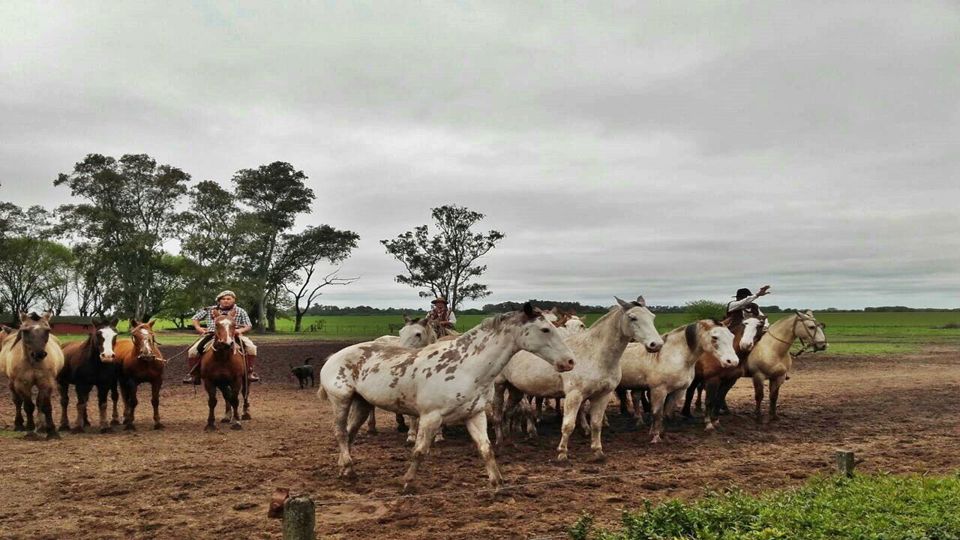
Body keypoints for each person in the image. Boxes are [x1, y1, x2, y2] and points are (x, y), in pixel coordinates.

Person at [182, 290, 260, 384]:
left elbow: (248, 325)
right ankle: (193, 375)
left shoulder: (240, 311)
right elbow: (195, 318)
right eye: (223, 299)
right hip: (212, 335)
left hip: (234, 335)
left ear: (233, 300)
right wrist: (199, 328)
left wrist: (239, 331)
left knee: (252, 348)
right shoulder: (209, 309)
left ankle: (249, 372)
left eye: (228, 299)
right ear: (219, 300)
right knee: (193, 351)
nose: (226, 301)